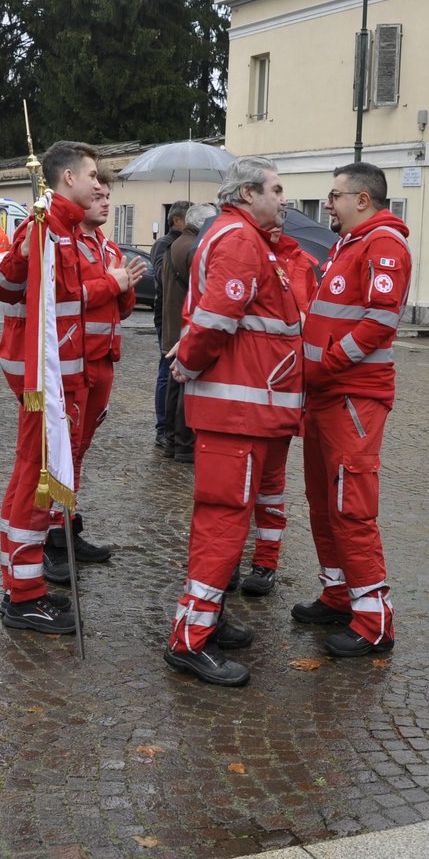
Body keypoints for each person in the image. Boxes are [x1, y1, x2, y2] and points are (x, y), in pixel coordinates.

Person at [164, 158, 303, 686]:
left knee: (228, 522)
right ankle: (189, 640)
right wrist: (188, 363)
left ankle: (209, 619)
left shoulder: (240, 236)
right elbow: (219, 318)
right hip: (236, 412)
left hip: (245, 410)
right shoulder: (241, 240)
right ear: (247, 193)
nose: (284, 199)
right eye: (277, 189)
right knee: (222, 523)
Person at [0, 141, 106, 635]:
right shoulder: (45, 227)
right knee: (37, 485)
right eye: (93, 175)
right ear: (68, 179)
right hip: (47, 384)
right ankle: (24, 596)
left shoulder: (66, 229)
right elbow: (8, 288)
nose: (101, 185)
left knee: (35, 481)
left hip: (63, 381)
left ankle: (24, 586)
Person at [290, 162, 409, 655]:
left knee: (350, 504)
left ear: (363, 199)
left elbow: (379, 322)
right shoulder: (350, 244)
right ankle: (339, 594)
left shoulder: (384, 244)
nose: (328, 204)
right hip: (326, 395)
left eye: (335, 195)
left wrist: (329, 364)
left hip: (352, 396)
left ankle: (374, 619)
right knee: (323, 499)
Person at [42, 168, 144, 581]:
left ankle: (67, 524)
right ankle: (51, 537)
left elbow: (120, 308)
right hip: (71, 364)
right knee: (61, 450)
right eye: (97, 194)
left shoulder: (105, 245)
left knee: (79, 450)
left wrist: (124, 286)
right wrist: (113, 283)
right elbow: (69, 297)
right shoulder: (66, 241)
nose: (104, 202)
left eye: (108, 197)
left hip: (102, 363)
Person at [229, 229, 318, 597]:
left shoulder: (303, 264)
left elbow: (309, 321)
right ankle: (226, 560)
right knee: (232, 488)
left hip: (280, 391)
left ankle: (266, 562)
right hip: (238, 389)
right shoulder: (238, 252)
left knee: (269, 486)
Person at [160, 205, 211, 465]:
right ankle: (182, 444)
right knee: (181, 388)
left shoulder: (176, 244)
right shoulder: (195, 247)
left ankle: (171, 440)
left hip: (172, 324)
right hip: (184, 324)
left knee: (171, 385)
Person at [150, 202, 192, 454]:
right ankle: (162, 428)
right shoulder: (164, 244)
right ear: (177, 220)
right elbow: (158, 275)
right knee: (166, 371)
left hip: (174, 313)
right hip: (165, 313)